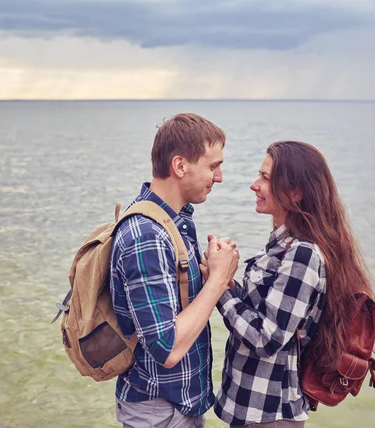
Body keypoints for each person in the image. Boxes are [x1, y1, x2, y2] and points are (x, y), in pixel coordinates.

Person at [205, 140, 375, 427]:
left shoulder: (302, 254)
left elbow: (267, 338)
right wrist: (216, 275)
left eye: (265, 178)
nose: (254, 185)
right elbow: (262, 314)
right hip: (257, 410)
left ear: (296, 192)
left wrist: (219, 285)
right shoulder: (283, 246)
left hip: (270, 414)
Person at [110, 113, 240, 427]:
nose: (219, 177)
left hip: (175, 407)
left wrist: (209, 274)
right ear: (180, 166)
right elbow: (166, 348)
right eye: (213, 166)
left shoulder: (175, 221)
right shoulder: (148, 236)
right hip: (160, 411)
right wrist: (218, 280)